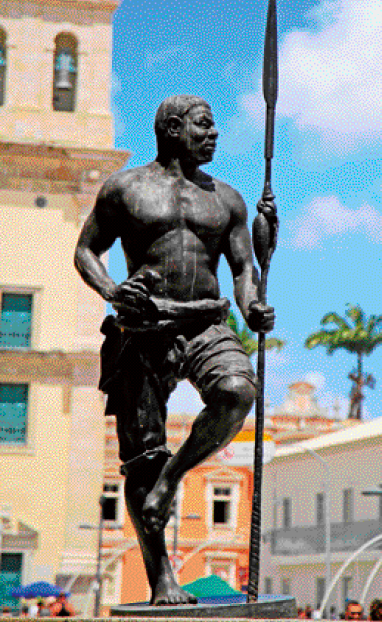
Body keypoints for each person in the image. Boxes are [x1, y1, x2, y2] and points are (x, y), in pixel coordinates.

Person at [74, 95, 274, 606]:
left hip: (207, 320)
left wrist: (252, 307)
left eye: (214, 126)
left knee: (236, 390)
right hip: (143, 327)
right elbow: (86, 249)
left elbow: (243, 269)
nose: (214, 135)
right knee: (142, 459)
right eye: (204, 126)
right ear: (171, 128)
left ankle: (174, 478)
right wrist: (112, 291)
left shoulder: (227, 199)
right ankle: (162, 579)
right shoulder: (126, 188)